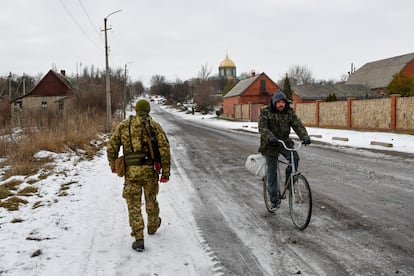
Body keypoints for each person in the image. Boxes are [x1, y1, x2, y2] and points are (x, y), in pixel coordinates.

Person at [106, 99, 170, 252]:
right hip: (150, 171)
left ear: (136, 110)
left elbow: (111, 147)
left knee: (133, 205)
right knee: (151, 199)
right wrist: (165, 173)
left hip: (131, 172)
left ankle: (139, 238)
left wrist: (113, 165)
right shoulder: (154, 126)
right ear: (148, 110)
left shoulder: (124, 125)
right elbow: (164, 149)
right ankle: (153, 226)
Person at [258, 89, 311, 210]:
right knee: (272, 170)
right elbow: (262, 128)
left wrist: (305, 137)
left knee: (295, 159)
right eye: (278, 102)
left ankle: (289, 182)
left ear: (286, 103)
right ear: (274, 103)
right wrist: (270, 137)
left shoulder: (289, 112)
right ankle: (274, 200)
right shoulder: (266, 112)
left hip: (284, 141)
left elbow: (297, 125)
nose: (281, 104)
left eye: (283, 102)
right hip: (270, 143)